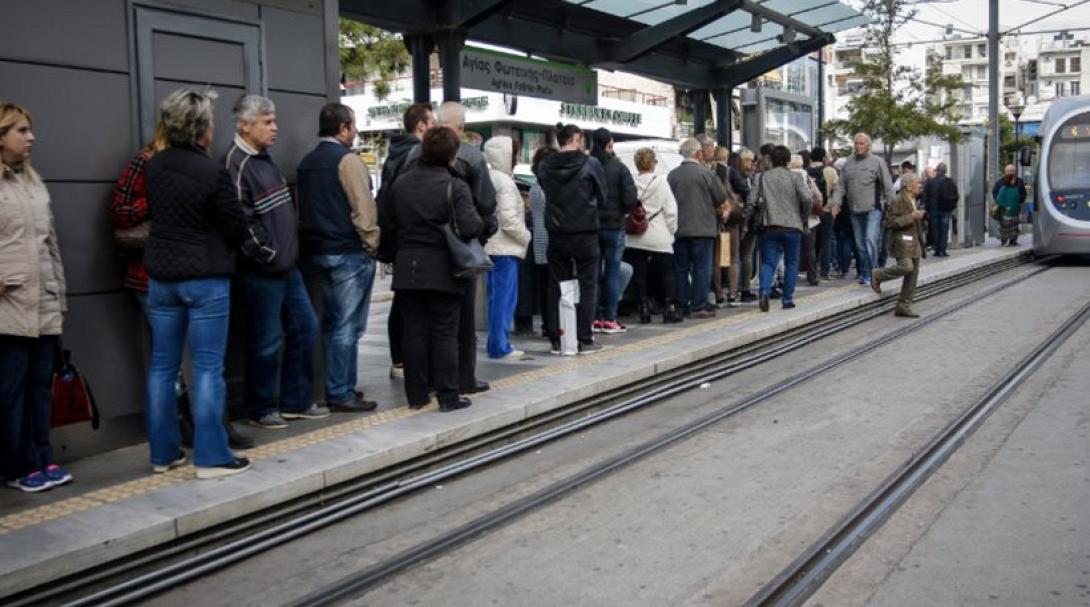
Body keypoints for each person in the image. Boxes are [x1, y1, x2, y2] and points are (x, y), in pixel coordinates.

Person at [143, 89, 275, 479]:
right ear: (202, 128)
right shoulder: (212, 172)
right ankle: (212, 456)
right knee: (206, 369)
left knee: (162, 368)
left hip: (162, 277)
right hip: (205, 278)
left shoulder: (154, 166)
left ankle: (163, 453)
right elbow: (235, 224)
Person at [111, 122, 254, 450]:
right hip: (160, 276)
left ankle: (170, 448)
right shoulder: (149, 163)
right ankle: (208, 444)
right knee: (194, 365)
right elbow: (121, 212)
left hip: (164, 274)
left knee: (173, 364)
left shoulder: (171, 166)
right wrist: (162, 199)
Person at [223, 95, 322, 430]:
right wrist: (267, 255)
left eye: (274, 120)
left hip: (287, 266)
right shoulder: (236, 164)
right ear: (245, 125)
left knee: (305, 328)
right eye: (267, 121)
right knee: (266, 340)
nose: (275, 127)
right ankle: (261, 407)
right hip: (262, 270)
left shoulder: (265, 160)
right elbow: (241, 221)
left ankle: (295, 401)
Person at [382, 126, 482, 411]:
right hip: (443, 268)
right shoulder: (455, 185)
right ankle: (448, 396)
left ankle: (416, 395)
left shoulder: (401, 183)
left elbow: (388, 221)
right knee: (444, 333)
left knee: (413, 332)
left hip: (407, 268)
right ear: (452, 155)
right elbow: (471, 226)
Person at [0, 101, 72, 492]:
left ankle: (43, 455)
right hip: (7, 305)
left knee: (39, 386)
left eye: (30, 130)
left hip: (41, 300)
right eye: (21, 131)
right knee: (10, 390)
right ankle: (17, 465)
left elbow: (52, 245)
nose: (31, 137)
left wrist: (58, 294)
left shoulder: (33, 181)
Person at [405, 102, 498, 393]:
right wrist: (482, 232)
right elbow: (486, 203)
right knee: (459, 322)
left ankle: (426, 385)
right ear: (460, 126)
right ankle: (462, 379)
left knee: (421, 325)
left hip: (416, 252)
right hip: (458, 250)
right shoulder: (470, 155)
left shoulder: (412, 153)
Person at [297, 103, 381, 412]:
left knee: (332, 323)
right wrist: (371, 244)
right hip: (347, 252)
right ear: (342, 128)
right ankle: (341, 391)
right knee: (349, 326)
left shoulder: (306, 163)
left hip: (317, 253)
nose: (356, 131)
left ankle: (340, 385)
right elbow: (364, 209)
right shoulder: (348, 161)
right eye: (353, 125)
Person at [377, 102, 435, 380]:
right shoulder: (414, 153)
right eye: (432, 124)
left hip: (397, 236)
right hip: (411, 236)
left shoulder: (394, 152)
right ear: (421, 126)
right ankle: (402, 360)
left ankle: (399, 359)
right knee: (408, 303)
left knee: (402, 298)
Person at [537, 123, 606, 354]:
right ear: (576, 138)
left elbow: (544, 188)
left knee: (556, 284)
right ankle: (584, 338)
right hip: (586, 232)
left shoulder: (546, 165)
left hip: (557, 233)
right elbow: (602, 196)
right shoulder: (591, 164)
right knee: (588, 284)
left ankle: (559, 339)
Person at [667, 138, 729, 318]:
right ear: (698, 153)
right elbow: (720, 197)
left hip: (679, 229)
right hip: (703, 229)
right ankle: (698, 305)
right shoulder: (705, 174)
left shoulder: (672, 175)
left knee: (681, 268)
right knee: (702, 268)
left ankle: (683, 303)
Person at [482, 136, 531, 359]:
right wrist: (526, 236)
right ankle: (500, 346)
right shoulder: (506, 183)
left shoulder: (487, 177)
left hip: (490, 247)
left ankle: (496, 344)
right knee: (504, 300)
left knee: (494, 300)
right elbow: (509, 220)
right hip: (505, 248)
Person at [748, 145, 812, 312]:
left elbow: (751, 201)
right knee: (791, 262)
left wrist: (748, 217)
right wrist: (803, 217)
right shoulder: (796, 177)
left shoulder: (761, 177)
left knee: (769, 262)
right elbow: (806, 198)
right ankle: (788, 299)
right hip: (793, 226)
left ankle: (764, 291)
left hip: (769, 225)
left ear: (771, 159)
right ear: (788, 160)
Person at [623, 148, 681, 323]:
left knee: (639, 274)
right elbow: (671, 211)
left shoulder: (631, 183)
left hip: (635, 237)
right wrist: (671, 231)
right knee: (667, 272)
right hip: (658, 235)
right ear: (653, 163)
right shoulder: (661, 182)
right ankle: (670, 308)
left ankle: (643, 307)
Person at [829, 132, 893, 287]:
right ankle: (865, 272)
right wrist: (836, 204)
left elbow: (888, 185)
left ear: (868, 145)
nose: (858, 146)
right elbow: (841, 186)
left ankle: (874, 272)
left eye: (861, 143)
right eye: (856, 143)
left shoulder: (877, 162)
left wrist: (890, 206)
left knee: (870, 240)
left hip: (873, 209)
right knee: (860, 245)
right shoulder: (848, 164)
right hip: (854, 209)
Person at [590, 128, 636, 334]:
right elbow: (629, 199)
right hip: (614, 227)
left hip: (591, 227)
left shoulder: (586, 165)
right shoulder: (620, 168)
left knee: (592, 272)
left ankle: (593, 317)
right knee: (612, 272)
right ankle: (609, 318)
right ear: (609, 144)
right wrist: (622, 212)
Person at [872, 172, 926, 317]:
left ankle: (903, 305)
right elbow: (890, 223)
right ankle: (878, 275)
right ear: (908, 186)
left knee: (913, 275)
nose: (920, 185)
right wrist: (911, 217)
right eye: (918, 183)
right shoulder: (897, 200)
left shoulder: (915, 199)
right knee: (906, 267)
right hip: (902, 241)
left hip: (914, 241)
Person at [525, 146, 556, 338]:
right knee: (551, 286)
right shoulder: (547, 187)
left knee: (545, 285)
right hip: (549, 240)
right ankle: (551, 323)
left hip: (538, 240)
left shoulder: (535, 186)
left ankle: (547, 323)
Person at [711, 145, 745, 307]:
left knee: (716, 260)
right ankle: (732, 294)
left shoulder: (709, 171)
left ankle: (718, 296)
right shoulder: (730, 172)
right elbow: (744, 189)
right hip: (731, 219)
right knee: (733, 258)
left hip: (714, 219)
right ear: (726, 157)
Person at [808, 146, 836, 281]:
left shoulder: (805, 171)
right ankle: (825, 271)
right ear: (824, 157)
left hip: (811, 212)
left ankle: (812, 271)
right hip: (826, 210)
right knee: (826, 241)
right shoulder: (830, 171)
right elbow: (837, 190)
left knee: (812, 243)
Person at [921, 162, 958, 256]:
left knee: (935, 230)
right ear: (945, 171)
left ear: (937, 171)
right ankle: (943, 250)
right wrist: (952, 207)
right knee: (944, 230)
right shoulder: (949, 181)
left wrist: (927, 209)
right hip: (946, 210)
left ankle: (937, 250)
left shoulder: (930, 182)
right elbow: (956, 196)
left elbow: (925, 196)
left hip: (934, 210)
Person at [992, 164, 1026, 246]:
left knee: (1014, 226)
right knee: (1005, 226)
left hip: (1015, 209)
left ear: (1015, 172)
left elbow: (1023, 193)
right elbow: (996, 194)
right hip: (1005, 210)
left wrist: (1019, 201)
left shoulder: (1019, 181)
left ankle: (1013, 241)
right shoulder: (1000, 183)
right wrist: (1002, 205)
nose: (1010, 172)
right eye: (1008, 171)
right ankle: (1004, 240)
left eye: (1012, 171)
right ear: (1005, 172)